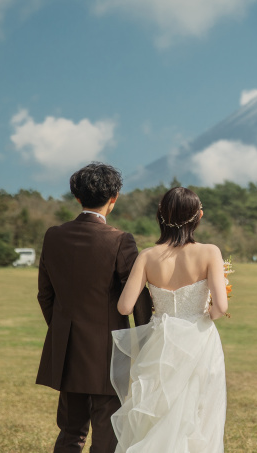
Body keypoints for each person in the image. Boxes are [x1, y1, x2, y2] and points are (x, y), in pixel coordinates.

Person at [36, 162, 153, 453]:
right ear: (114, 197)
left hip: (67, 349)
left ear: (77, 197)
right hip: (108, 351)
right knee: (107, 433)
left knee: (70, 431)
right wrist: (143, 340)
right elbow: (137, 297)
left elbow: (45, 295)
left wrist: (63, 329)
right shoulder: (120, 240)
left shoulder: (53, 235)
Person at [110, 186, 228, 453]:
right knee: (200, 414)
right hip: (199, 340)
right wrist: (204, 315)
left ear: (160, 216)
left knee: (158, 414)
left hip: (160, 341)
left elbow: (124, 306)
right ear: (198, 216)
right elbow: (221, 307)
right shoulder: (210, 252)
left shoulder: (148, 255)